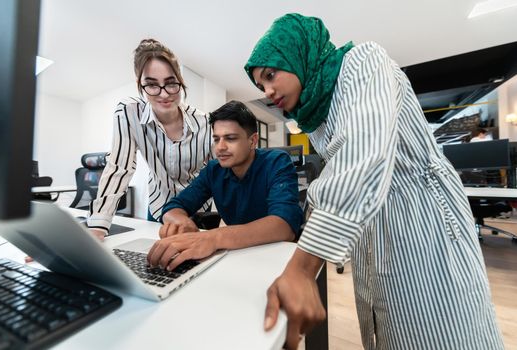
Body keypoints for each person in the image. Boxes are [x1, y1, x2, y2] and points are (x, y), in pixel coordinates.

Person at [244, 13, 504, 350]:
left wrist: (303, 267)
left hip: (425, 223)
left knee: (445, 331)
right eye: (260, 86)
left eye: (270, 75)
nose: (267, 90)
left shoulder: (363, 61)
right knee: (393, 332)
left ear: (296, 52)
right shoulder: (317, 117)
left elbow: (361, 157)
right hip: (376, 232)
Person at [147, 100, 303, 271]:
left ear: (253, 141)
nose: (220, 147)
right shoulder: (214, 170)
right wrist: (180, 222)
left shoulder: (276, 161)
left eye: (230, 138)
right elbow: (174, 206)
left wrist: (214, 238)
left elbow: (284, 226)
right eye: (216, 139)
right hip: (237, 255)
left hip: (275, 257)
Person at [87, 39, 213, 240]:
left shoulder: (205, 121)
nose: (164, 94)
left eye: (171, 83)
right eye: (152, 85)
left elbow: (220, 173)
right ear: (140, 84)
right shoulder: (128, 112)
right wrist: (98, 227)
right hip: (158, 208)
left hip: (198, 210)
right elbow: (119, 168)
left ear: (180, 81)